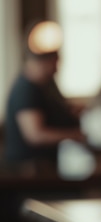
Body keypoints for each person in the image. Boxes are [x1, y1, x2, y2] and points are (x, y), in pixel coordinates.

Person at [3, 21, 85, 167]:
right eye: (55, 61)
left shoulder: (48, 85)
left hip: (50, 164)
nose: (57, 67)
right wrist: (74, 135)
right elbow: (35, 135)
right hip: (30, 171)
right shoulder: (25, 89)